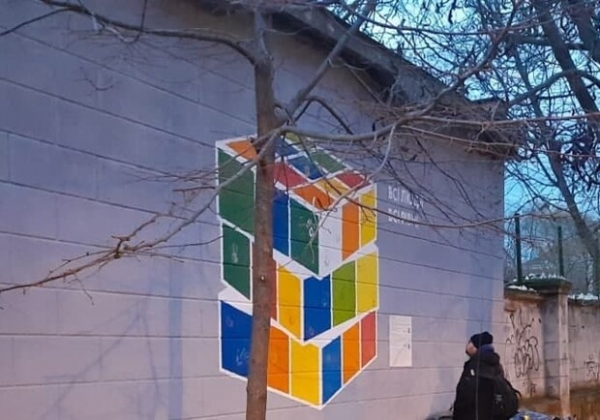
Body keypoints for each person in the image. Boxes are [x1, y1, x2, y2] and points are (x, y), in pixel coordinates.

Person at [452, 331, 505, 420]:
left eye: (470, 342)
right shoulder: (496, 365)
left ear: (475, 346)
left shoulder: (474, 366)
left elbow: (464, 397)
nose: (467, 345)